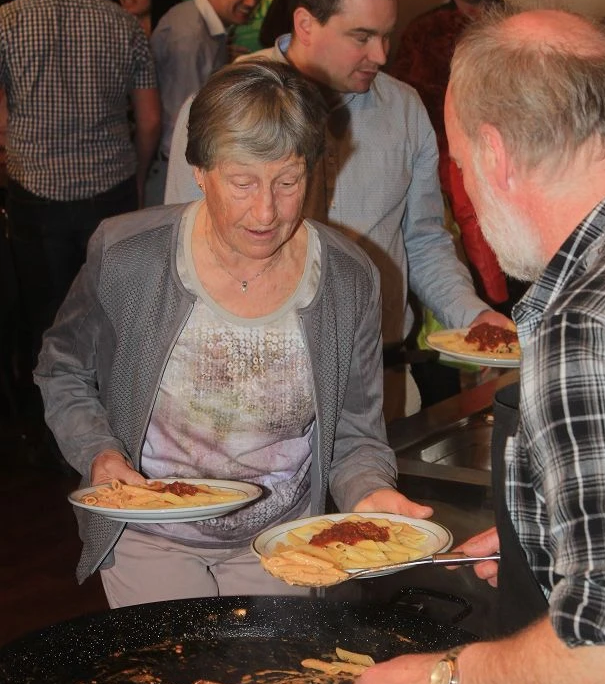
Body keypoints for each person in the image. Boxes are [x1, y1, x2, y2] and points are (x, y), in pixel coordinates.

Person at [341, 5, 605, 684]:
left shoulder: (592, 323)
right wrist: (544, 533)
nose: (464, 194)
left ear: (497, 153)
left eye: (457, 164)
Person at [35, 58, 431, 607]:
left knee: (269, 663)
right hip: (150, 532)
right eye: (242, 182)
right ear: (200, 171)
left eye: (288, 182)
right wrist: (98, 452)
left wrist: (370, 493)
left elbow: (356, 434)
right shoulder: (129, 255)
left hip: (281, 539)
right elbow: (62, 369)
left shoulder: (348, 278)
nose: (266, 212)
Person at [166, 0, 511, 418]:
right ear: (305, 24)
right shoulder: (218, 107)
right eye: (362, 37)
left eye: (386, 36)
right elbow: (181, 252)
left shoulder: (404, 109)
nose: (381, 55)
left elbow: (425, 240)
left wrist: (474, 316)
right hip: (253, 382)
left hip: (379, 378)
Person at [1, 0, 159, 377]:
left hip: (35, 193)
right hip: (110, 189)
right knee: (108, 314)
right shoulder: (124, 24)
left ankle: (51, 412)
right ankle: (110, 409)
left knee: (47, 316)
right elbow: (150, 119)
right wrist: (136, 175)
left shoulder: (5, 23)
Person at [393, 0, 508, 309]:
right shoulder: (422, 32)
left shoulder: (515, 27)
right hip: (438, 174)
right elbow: (402, 108)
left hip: (507, 170)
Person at [149, 0, 264, 202]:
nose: (252, 1)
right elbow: (184, 122)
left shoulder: (203, 26)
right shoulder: (190, 36)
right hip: (177, 166)